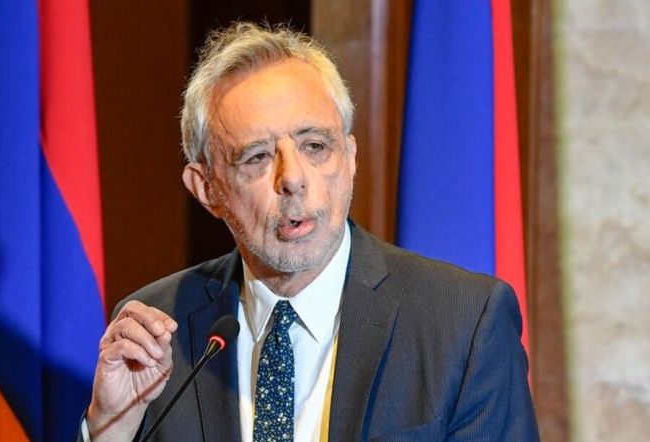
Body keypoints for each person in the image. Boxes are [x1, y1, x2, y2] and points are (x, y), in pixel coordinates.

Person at [80, 22, 539, 441]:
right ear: (208, 189)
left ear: (350, 158)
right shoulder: (160, 331)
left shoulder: (463, 323)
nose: (293, 178)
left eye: (315, 146)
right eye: (257, 157)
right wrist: (110, 427)